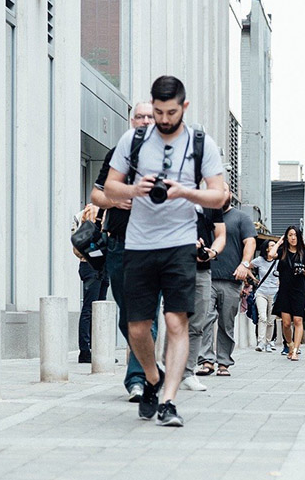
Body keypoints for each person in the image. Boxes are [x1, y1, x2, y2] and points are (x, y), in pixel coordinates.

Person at [104, 76, 226, 426]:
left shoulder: (201, 143)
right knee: (138, 327)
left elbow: (219, 195)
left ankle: (169, 400)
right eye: (157, 112)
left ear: (183, 107)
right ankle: (153, 379)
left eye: (170, 112)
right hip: (139, 244)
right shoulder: (135, 139)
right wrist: (134, 189)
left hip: (180, 243)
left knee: (176, 321)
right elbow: (110, 186)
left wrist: (185, 192)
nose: (163, 119)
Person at [91, 101, 154, 400]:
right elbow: (95, 194)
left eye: (149, 117)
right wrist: (114, 201)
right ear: (132, 121)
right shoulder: (117, 155)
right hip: (119, 242)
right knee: (127, 315)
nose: (143, 121)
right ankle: (144, 368)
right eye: (139, 116)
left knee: (147, 314)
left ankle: (138, 378)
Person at [206, 187, 257, 375]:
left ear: (230, 195)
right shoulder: (205, 216)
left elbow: (250, 242)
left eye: (224, 191)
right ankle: (206, 361)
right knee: (204, 319)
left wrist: (245, 264)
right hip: (206, 277)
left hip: (231, 279)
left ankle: (223, 363)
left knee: (226, 324)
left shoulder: (241, 218)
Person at [179, 193, 226, 391]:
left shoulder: (211, 201)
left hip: (202, 270)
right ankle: (166, 369)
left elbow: (221, 234)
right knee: (174, 321)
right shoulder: (171, 195)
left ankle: (188, 373)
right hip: (173, 266)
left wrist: (210, 252)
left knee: (198, 323)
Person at [72, 203, 110, 364]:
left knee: (97, 309)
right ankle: (86, 351)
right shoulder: (95, 211)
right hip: (94, 265)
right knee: (91, 309)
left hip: (92, 265)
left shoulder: (81, 213)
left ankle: (94, 350)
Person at [273, 226, 305, 360]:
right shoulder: (282, 251)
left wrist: (302, 271)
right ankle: (289, 344)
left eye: (295, 235)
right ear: (286, 237)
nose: (293, 238)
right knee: (286, 323)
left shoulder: (304, 253)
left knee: (298, 320)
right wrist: (279, 242)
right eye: (290, 235)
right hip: (284, 290)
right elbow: (271, 255)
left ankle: (295, 350)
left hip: (299, 289)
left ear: (299, 237)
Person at [250, 239, 280, 352]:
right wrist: (254, 279)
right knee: (262, 317)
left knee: (271, 320)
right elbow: (248, 266)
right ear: (267, 248)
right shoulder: (259, 260)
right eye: (272, 245)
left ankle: (268, 342)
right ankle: (261, 342)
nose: (274, 247)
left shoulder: (278, 262)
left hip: (274, 293)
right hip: (261, 292)